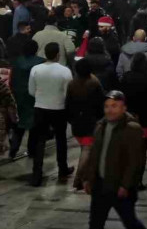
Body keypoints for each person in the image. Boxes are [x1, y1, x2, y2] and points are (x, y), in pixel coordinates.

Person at [82, 91, 147, 229]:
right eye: (107, 106)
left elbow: (134, 161)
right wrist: (88, 178)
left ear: (123, 108)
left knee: (130, 222)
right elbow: (94, 154)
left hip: (120, 187)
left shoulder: (131, 128)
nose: (110, 110)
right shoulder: (101, 125)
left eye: (114, 106)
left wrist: (125, 185)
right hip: (100, 185)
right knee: (95, 223)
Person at [28, 42, 74, 186]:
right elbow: (68, 93)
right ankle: (62, 169)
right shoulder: (65, 71)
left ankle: (36, 174)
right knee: (61, 139)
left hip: (40, 108)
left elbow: (31, 90)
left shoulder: (36, 69)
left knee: (40, 141)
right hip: (59, 108)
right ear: (57, 54)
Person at [66, 59, 106, 190]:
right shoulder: (94, 83)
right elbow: (101, 104)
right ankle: (79, 179)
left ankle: (86, 176)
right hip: (90, 121)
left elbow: (68, 104)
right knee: (87, 150)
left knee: (85, 149)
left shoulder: (72, 84)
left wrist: (71, 119)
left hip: (77, 122)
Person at [119, 52, 147, 189]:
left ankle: (126, 178)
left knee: (127, 149)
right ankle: (138, 179)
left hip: (128, 117)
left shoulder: (126, 78)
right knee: (142, 151)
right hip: (145, 118)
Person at [9, 40, 44, 159]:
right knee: (34, 126)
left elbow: (12, 79)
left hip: (19, 95)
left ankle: (13, 149)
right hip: (34, 96)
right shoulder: (40, 62)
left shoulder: (17, 61)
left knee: (19, 125)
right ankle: (31, 150)